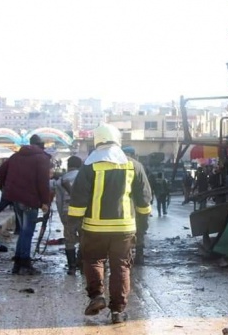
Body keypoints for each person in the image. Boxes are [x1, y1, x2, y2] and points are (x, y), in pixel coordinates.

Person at [69, 123, 152, 324]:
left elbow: (78, 200)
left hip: (93, 228)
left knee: (93, 260)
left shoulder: (89, 167)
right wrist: (143, 227)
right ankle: (118, 311)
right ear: (118, 141)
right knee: (121, 267)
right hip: (124, 229)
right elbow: (144, 201)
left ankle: (97, 296)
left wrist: (73, 226)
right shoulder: (134, 166)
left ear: (97, 141)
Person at [0, 134, 52, 275]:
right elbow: (43, 182)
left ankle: (18, 263)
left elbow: (0, 171)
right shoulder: (42, 158)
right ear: (41, 146)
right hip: (31, 200)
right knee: (27, 232)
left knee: (23, 231)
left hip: (15, 198)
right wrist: (45, 201)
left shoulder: (16, 156)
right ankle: (25, 264)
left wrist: (5, 186)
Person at [52, 155, 83, 275]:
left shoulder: (61, 180)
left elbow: (58, 201)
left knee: (69, 239)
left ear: (68, 166)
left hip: (67, 212)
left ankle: (72, 267)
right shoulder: (84, 177)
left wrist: (62, 217)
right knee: (84, 238)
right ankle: (83, 264)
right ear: (80, 165)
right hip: (83, 212)